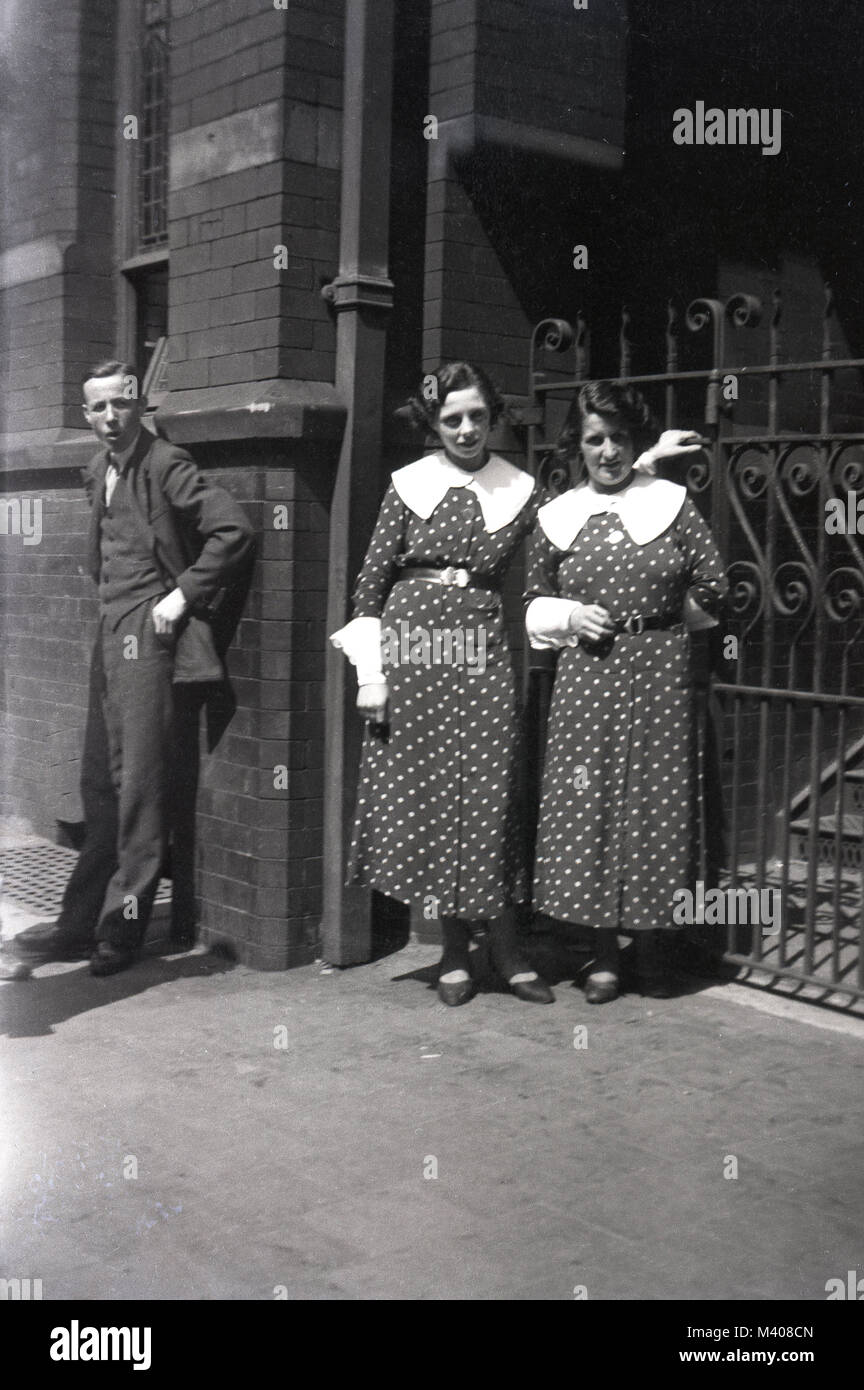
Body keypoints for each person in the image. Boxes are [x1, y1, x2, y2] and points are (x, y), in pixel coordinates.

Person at [5, 360, 254, 977]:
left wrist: (182, 595)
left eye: (120, 405)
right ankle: (77, 924)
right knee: (99, 784)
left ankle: (124, 930)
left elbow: (233, 529)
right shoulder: (99, 469)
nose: (110, 418)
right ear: (85, 414)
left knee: (141, 787)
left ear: (139, 404)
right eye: (97, 409)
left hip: (149, 629)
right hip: (109, 631)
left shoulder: (165, 462)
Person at [331, 360, 553, 1005]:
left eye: (477, 416)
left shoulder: (523, 490)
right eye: (451, 418)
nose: (465, 429)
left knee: (491, 795)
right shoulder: (408, 487)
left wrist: (643, 458)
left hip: (481, 650)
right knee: (435, 801)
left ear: (494, 417)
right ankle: (455, 949)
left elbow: (579, 522)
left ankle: (508, 950)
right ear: (434, 422)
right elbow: (369, 588)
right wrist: (371, 675)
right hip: (413, 652)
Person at [525, 380, 727, 1002]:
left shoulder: (670, 502)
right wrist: (570, 618)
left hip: (660, 673)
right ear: (577, 447)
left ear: (632, 441)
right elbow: (531, 605)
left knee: (651, 802)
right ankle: (600, 954)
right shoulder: (557, 517)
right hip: (588, 678)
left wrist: (661, 626)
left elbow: (715, 587)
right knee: (590, 807)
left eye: (618, 438)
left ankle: (652, 943)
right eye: (594, 440)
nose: (607, 451)